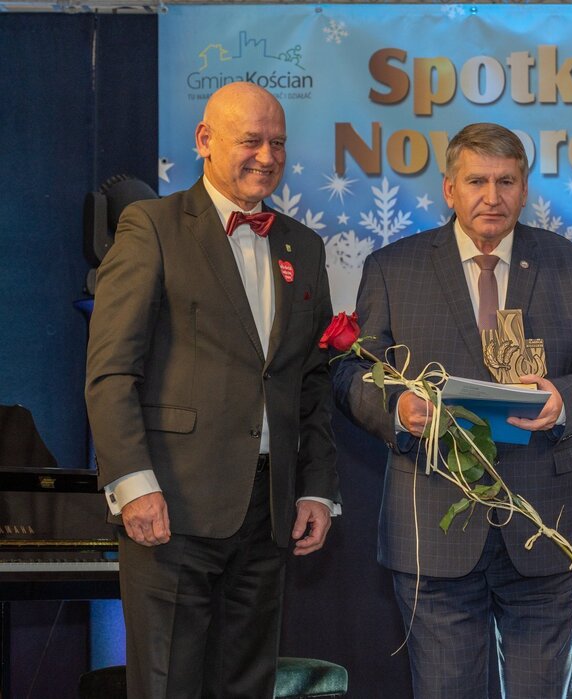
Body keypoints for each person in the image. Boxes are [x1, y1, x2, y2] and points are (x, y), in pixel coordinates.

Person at [333, 122, 572, 698]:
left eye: (506, 181)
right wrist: (398, 408)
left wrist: (563, 400)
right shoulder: (394, 267)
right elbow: (350, 373)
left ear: (525, 189)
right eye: (476, 182)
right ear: (449, 189)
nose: (492, 197)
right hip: (433, 523)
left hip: (545, 525)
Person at [85, 81, 341, 698]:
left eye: (278, 143)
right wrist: (133, 485)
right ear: (205, 140)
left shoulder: (303, 246)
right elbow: (111, 369)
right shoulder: (151, 226)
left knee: (247, 686)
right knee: (168, 686)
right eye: (250, 140)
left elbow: (309, 380)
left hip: (269, 513)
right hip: (170, 507)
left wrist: (316, 488)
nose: (267, 156)